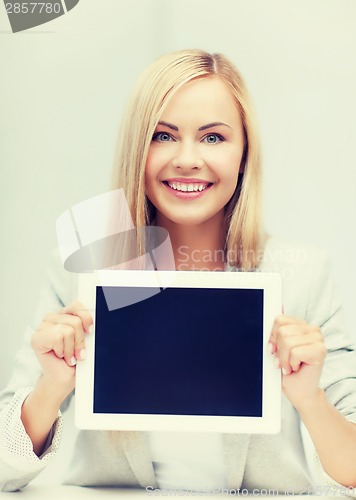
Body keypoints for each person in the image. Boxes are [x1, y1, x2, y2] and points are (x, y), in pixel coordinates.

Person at [1, 48, 356, 495]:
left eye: (213, 138)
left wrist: (310, 399)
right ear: (138, 149)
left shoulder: (303, 274)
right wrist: (50, 388)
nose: (187, 159)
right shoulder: (82, 270)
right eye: (163, 135)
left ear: (244, 154)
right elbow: (5, 469)